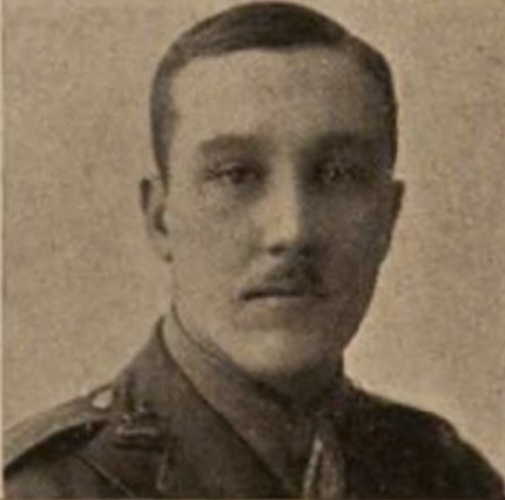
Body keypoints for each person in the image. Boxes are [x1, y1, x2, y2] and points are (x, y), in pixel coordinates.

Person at [4, 2, 504, 498]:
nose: (293, 230)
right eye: (235, 174)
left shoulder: (448, 478)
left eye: (338, 174)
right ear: (161, 218)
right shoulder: (45, 489)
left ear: (388, 219)